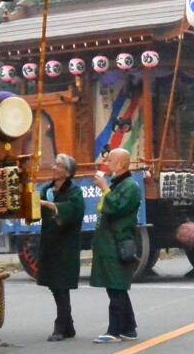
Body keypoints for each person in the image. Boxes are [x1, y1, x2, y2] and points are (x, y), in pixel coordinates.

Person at [90, 147, 141, 343]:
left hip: (117, 242)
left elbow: (116, 208)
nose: (107, 164)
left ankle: (114, 330)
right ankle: (129, 328)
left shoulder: (130, 186)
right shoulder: (121, 185)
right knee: (116, 287)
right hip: (110, 241)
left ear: (120, 165)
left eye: (110, 161)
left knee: (116, 287)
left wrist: (104, 188)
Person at [36, 153, 85, 342]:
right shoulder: (47, 189)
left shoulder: (75, 192)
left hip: (66, 245)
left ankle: (60, 326)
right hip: (49, 243)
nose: (53, 167)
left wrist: (49, 205)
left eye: (58, 165)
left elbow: (72, 211)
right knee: (55, 286)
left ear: (67, 172)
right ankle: (69, 326)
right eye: (54, 164)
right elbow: (36, 208)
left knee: (61, 285)